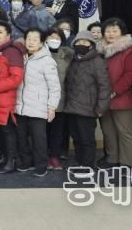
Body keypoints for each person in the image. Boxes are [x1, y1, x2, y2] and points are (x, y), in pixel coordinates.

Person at [15, 28, 61, 177]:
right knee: (21, 137)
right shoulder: (20, 58)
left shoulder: (47, 60)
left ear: (41, 42)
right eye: (29, 38)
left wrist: (52, 107)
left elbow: (55, 87)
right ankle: (26, 162)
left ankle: (41, 165)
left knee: (38, 139)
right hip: (20, 106)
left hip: (38, 107)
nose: (31, 42)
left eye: (35, 39)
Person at [97, 18, 132, 170]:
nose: (111, 34)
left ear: (122, 32)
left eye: (115, 31)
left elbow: (131, 74)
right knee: (108, 131)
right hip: (104, 99)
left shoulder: (130, 51)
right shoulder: (100, 51)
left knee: (124, 132)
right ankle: (112, 159)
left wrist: (114, 91)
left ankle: (127, 163)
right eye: (108, 31)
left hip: (123, 98)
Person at [64, 30, 112, 169]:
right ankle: (79, 161)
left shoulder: (97, 61)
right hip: (71, 108)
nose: (81, 44)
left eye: (85, 42)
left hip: (88, 109)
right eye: (78, 42)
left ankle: (88, 164)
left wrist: (100, 108)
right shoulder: (73, 60)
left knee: (87, 139)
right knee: (76, 138)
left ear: (91, 45)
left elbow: (104, 87)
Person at [0, 21, 25, 174]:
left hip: (6, 97)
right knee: (0, 130)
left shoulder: (12, 51)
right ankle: (3, 157)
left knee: (8, 131)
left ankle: (12, 161)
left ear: (8, 35)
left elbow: (16, 78)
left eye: (0, 32)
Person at [45, 27, 74, 171]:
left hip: (61, 99)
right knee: (42, 131)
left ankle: (54, 156)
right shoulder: (39, 53)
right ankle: (43, 157)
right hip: (41, 99)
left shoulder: (68, 55)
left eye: (57, 38)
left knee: (58, 131)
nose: (54, 40)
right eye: (51, 37)